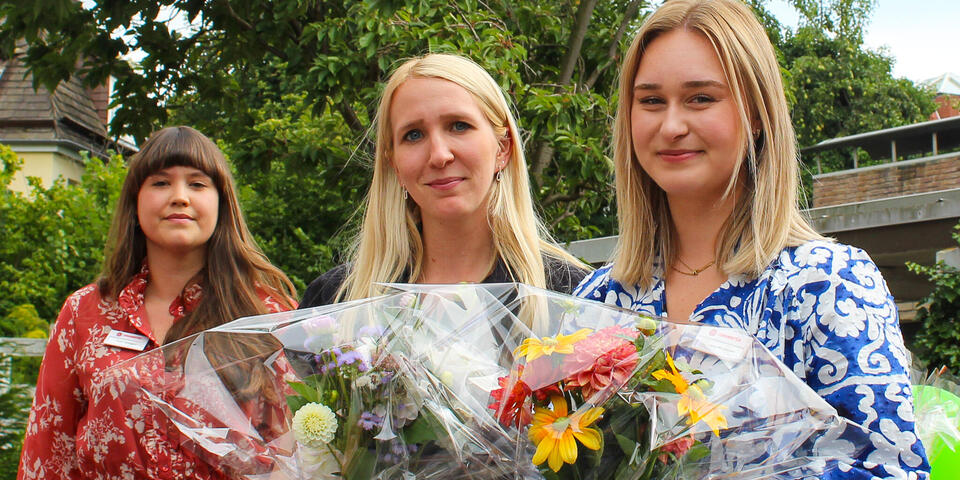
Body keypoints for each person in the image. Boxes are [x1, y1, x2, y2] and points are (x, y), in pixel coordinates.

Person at [573, 1, 929, 478]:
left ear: (757, 113)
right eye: (651, 101)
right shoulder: (595, 301)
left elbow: (891, 468)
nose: (672, 125)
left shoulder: (828, 285)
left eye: (701, 98)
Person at [18, 126, 298, 479]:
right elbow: (47, 451)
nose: (180, 196)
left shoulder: (269, 314)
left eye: (197, 184)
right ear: (135, 202)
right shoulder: (83, 313)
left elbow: (300, 451)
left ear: (222, 204)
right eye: (161, 183)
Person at [301, 53, 589, 308]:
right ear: (395, 165)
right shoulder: (336, 301)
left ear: (503, 148)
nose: (439, 155)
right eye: (413, 135)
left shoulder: (575, 296)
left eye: (459, 126)